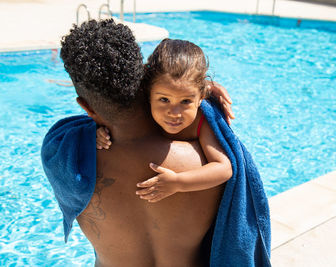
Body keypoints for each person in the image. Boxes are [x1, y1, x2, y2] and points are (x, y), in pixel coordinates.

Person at [44, 19, 234, 266]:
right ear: (147, 84)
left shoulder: (67, 152)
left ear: (86, 107)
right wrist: (204, 89)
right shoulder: (203, 159)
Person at [96, 38, 232, 203]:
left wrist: (178, 183)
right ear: (148, 94)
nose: (174, 113)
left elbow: (224, 168)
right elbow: (109, 118)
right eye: (164, 100)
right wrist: (100, 132)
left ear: (200, 98)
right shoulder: (143, 111)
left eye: (186, 101)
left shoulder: (200, 122)